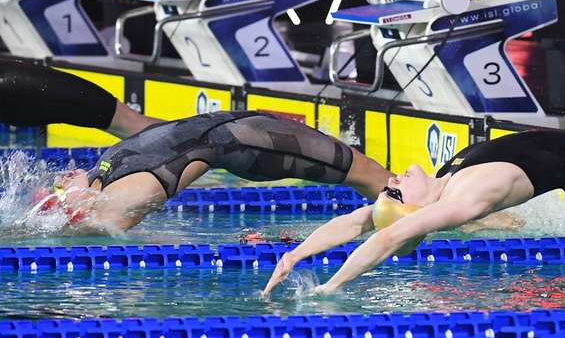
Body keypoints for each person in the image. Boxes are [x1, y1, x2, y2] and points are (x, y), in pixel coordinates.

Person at [262, 130, 565, 295]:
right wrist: (330, 288)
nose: (395, 183)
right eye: (398, 195)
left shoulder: (445, 181)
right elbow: (384, 238)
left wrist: (295, 255)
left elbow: (363, 222)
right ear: (417, 214)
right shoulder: (463, 200)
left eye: (391, 189)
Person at [29, 111, 392, 234]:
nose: (64, 179)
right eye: (63, 190)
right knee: (371, 175)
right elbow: (107, 227)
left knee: (369, 175)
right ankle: (410, 208)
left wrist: (70, 198)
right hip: (247, 141)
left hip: (237, 129)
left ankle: (396, 205)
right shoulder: (123, 191)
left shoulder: (104, 173)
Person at [0, 59, 157, 139]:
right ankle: (181, 139)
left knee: (129, 127)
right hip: (18, 88)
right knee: (130, 124)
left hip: (18, 92)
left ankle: (180, 142)